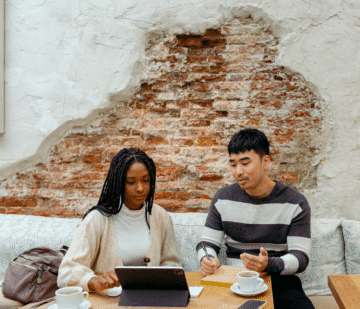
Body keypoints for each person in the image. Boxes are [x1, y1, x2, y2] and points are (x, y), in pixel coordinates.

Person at [196, 129, 314, 309]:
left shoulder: (295, 203)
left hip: (279, 282)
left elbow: (301, 257)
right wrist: (207, 259)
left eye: (245, 163)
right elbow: (207, 243)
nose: (238, 171)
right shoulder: (222, 199)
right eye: (233, 164)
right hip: (234, 280)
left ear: (266, 161)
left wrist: (269, 264)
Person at [58, 148, 181, 292]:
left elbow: (172, 263)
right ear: (118, 183)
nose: (140, 188)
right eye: (131, 182)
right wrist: (94, 281)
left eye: (146, 180)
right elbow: (66, 272)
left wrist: (159, 282)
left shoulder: (160, 216)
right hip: (109, 300)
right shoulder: (98, 219)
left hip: (152, 298)